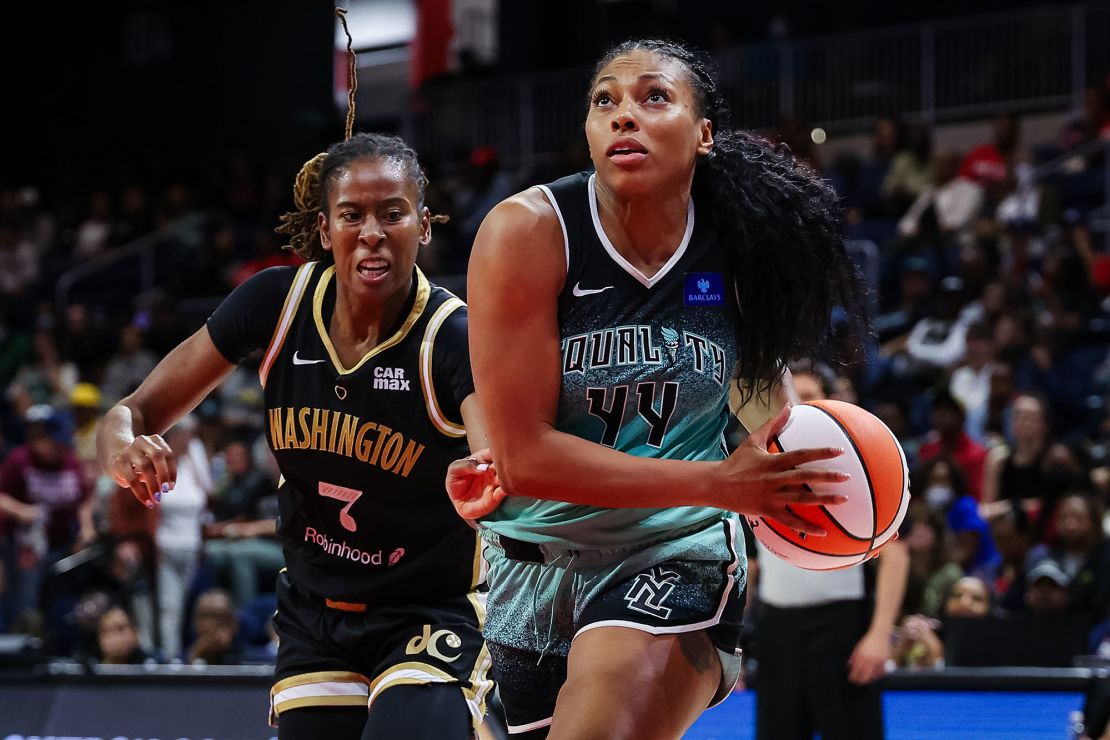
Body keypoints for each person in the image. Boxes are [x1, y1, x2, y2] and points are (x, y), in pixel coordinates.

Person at [448, 39, 864, 739]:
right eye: (604, 101)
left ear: (703, 134)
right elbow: (527, 458)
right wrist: (717, 483)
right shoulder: (527, 233)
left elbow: (769, 408)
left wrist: (825, 481)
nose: (623, 116)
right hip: (529, 566)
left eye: (653, 97)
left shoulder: (738, 247)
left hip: (678, 548)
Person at [97, 132, 493, 739]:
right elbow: (131, 411)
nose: (372, 233)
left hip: (428, 609)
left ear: (425, 224)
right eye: (352, 215)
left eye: (393, 213)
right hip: (317, 614)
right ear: (325, 226)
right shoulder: (275, 305)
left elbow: (501, 464)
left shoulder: (452, 337)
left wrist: (495, 482)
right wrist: (126, 445)